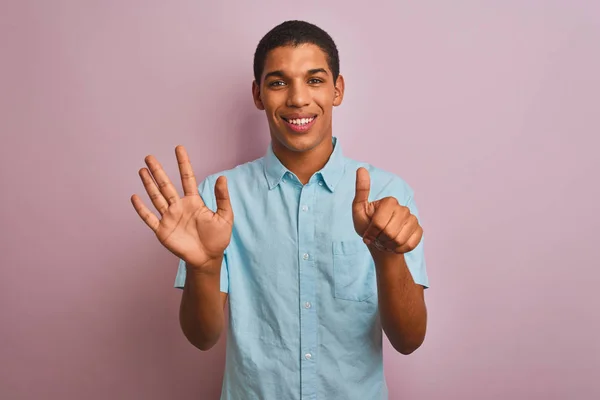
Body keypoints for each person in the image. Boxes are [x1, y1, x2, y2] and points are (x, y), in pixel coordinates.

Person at [131, 20, 429, 400]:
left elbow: (409, 340)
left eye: (315, 80)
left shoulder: (389, 194)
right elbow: (201, 337)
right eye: (278, 82)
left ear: (337, 90)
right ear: (258, 94)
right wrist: (203, 267)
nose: (298, 99)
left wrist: (388, 259)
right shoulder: (218, 198)